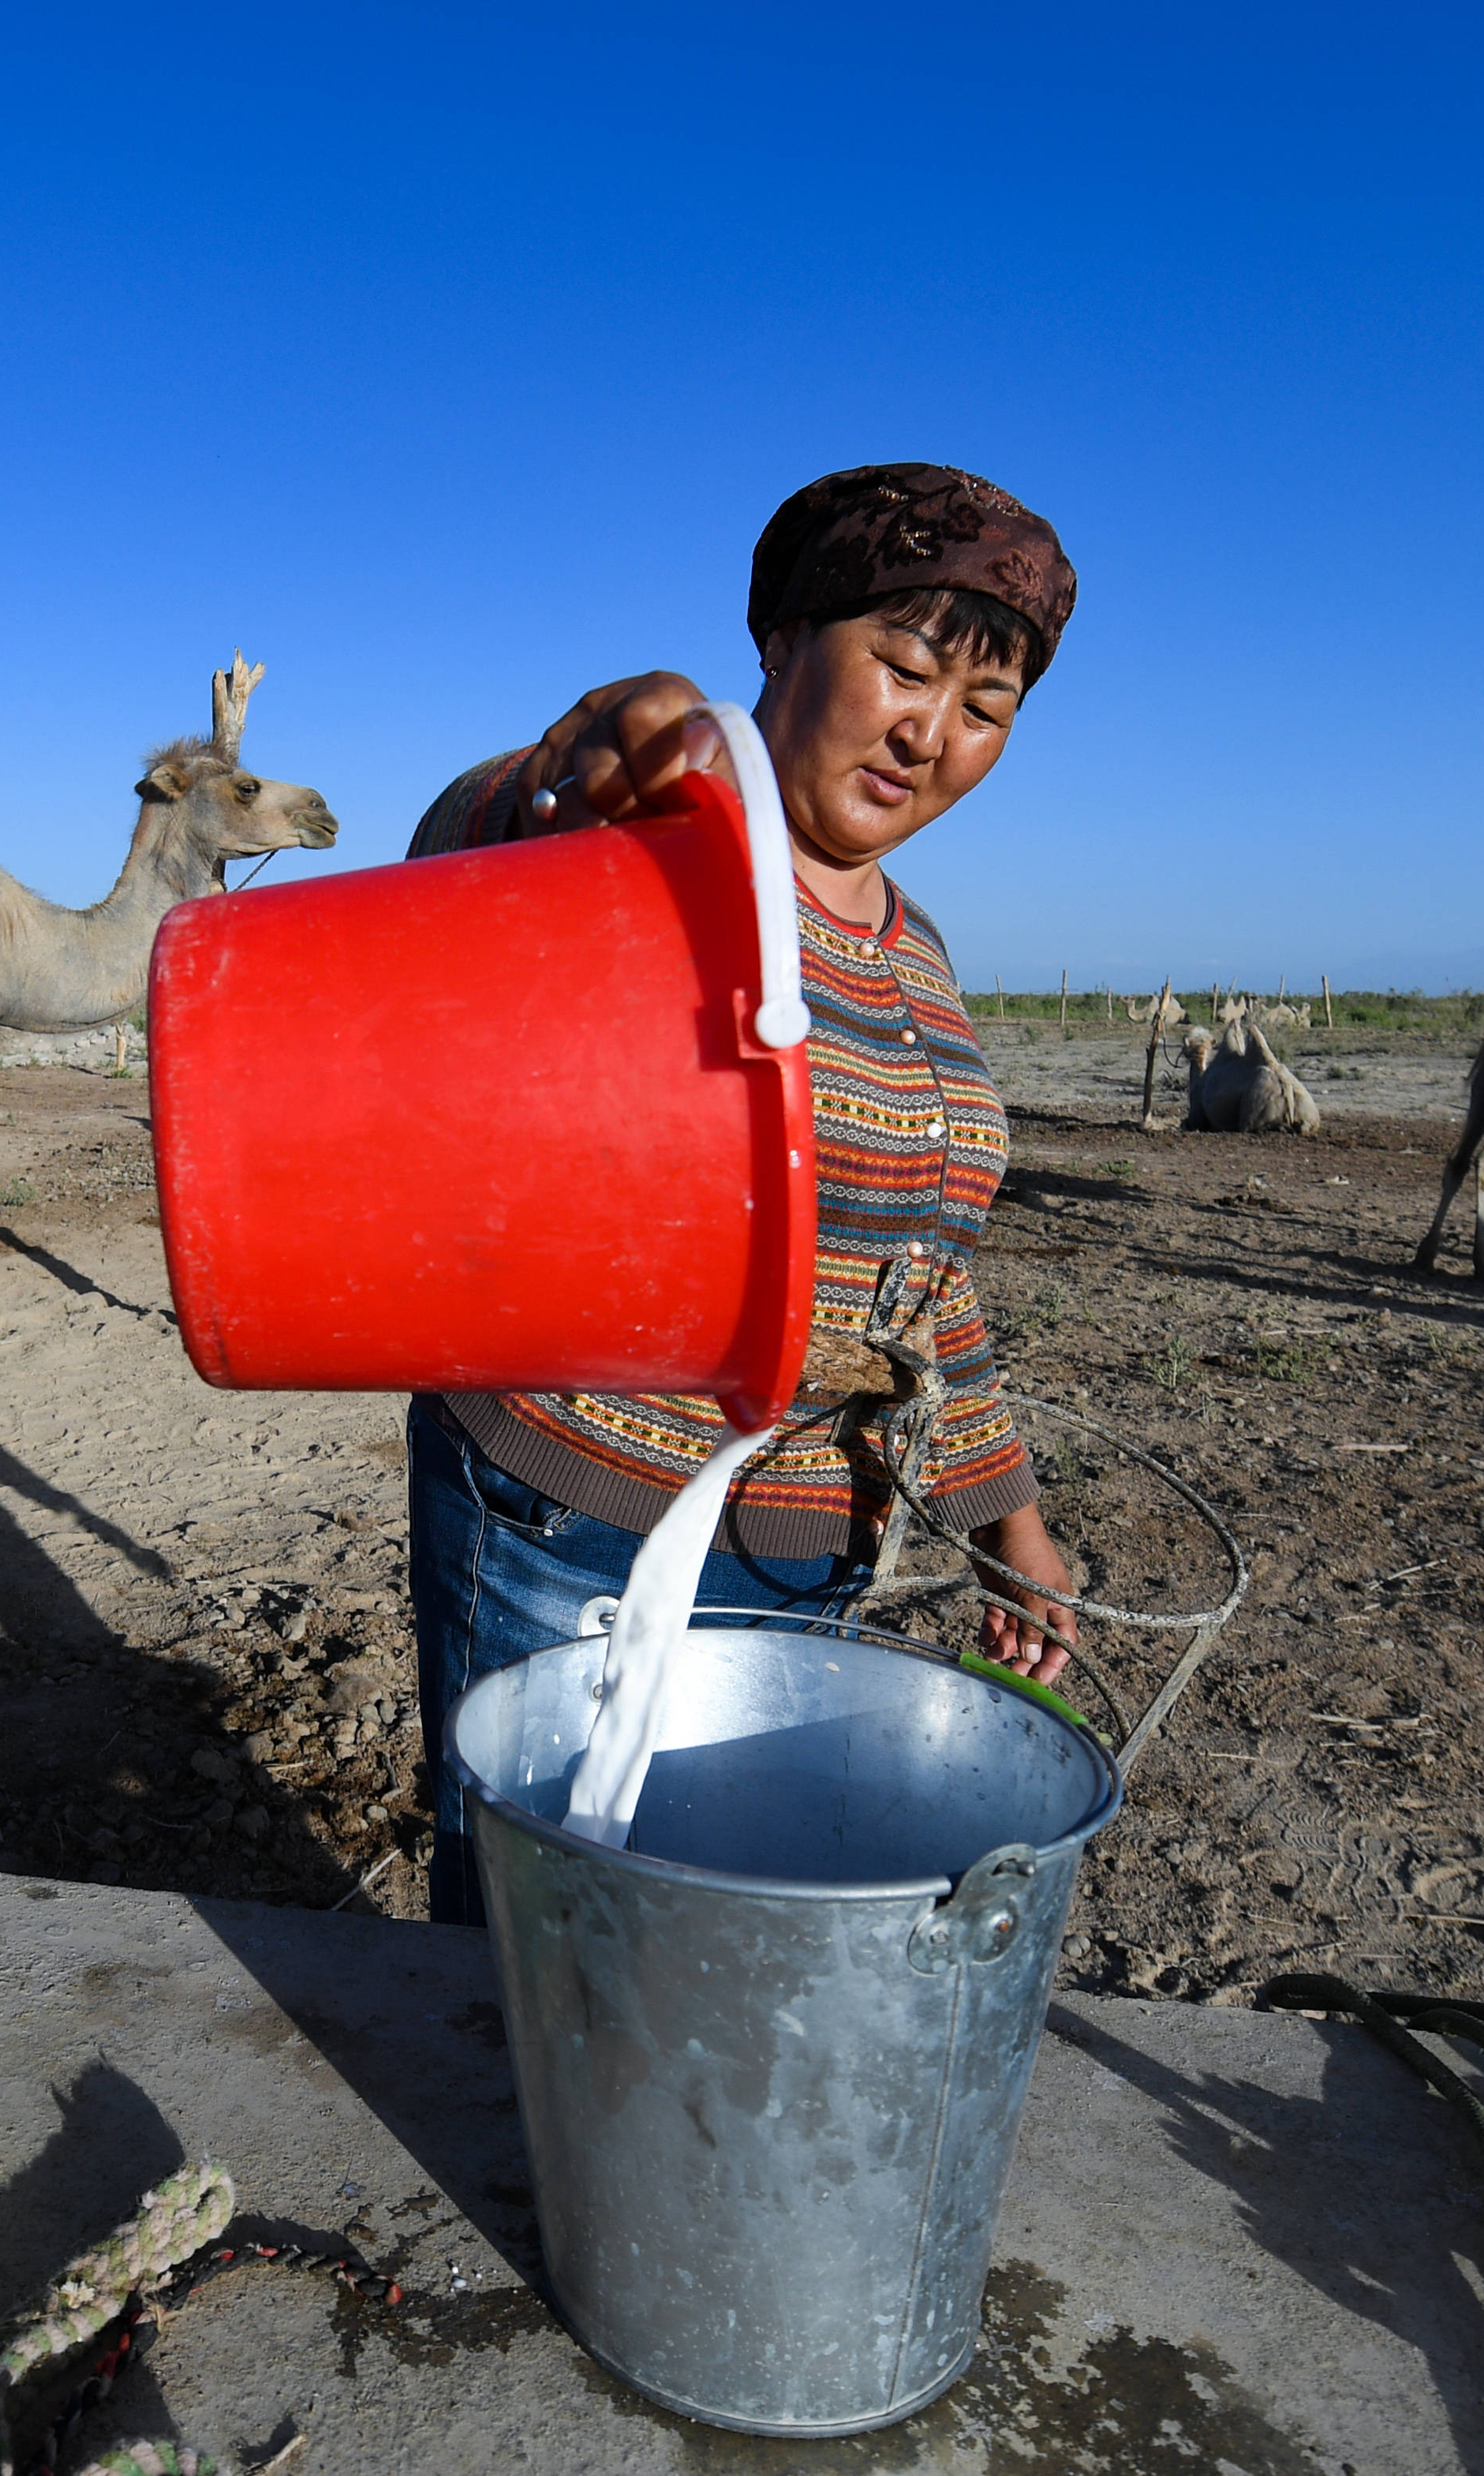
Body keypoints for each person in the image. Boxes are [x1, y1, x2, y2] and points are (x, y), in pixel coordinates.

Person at [406, 462, 1081, 1922]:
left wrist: (1005, 1514)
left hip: (803, 1542)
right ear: (779, 645)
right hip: (575, 1508)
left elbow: (921, 1281)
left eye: (985, 709)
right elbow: (463, 866)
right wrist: (573, 754)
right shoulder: (651, 842)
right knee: (538, 1926)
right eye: (902, 667)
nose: (931, 734)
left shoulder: (921, 957)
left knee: (717, 1916)